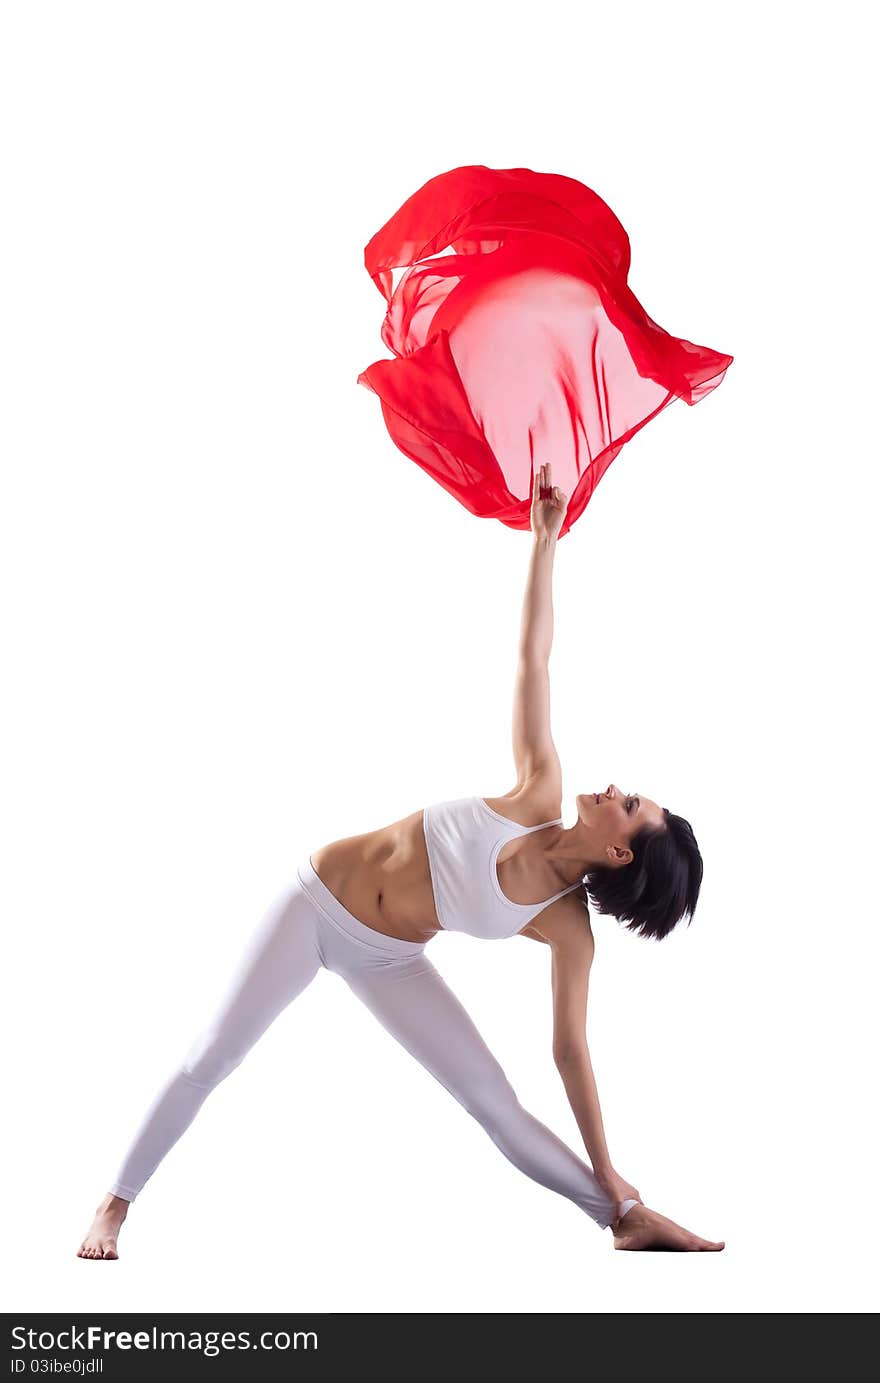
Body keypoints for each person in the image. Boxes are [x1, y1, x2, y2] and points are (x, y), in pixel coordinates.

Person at [77, 462, 723, 1259]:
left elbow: (570, 1052)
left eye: (630, 804)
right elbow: (533, 660)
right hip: (314, 906)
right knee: (216, 1050)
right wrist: (545, 541)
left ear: (621, 849)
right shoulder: (537, 789)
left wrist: (609, 1165)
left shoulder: (565, 928)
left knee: (494, 1101)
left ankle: (623, 1214)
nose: (617, 787)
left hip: (391, 958)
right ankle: (115, 1203)